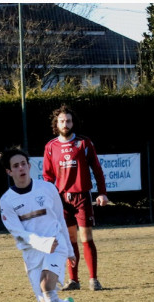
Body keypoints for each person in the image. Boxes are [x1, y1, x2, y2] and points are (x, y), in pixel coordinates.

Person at [0, 147, 80, 302]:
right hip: (32, 253)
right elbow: (18, 233)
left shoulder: (47, 189)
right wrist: (41, 243)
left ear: (29, 165)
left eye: (24, 164)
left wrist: (69, 248)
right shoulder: (6, 201)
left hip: (56, 245)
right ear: (9, 172)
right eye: (15, 166)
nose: (21, 168)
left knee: (47, 286)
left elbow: (60, 220)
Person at [42, 104, 109, 291]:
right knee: (70, 240)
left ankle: (93, 279)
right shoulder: (50, 147)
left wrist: (102, 192)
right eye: (62, 121)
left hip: (82, 197)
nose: (65, 124)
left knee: (86, 237)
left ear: (73, 123)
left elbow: (97, 169)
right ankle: (73, 280)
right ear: (57, 124)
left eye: (68, 121)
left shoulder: (84, 143)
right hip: (61, 199)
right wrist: (48, 196)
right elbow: (47, 176)